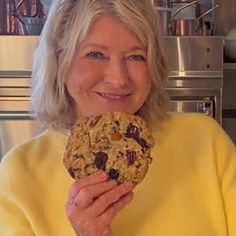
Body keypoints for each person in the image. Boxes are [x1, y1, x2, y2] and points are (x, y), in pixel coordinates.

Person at [0, 0, 235, 235]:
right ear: (59, 61)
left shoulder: (204, 141)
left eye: (136, 56)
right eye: (95, 54)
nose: (118, 78)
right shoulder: (19, 175)